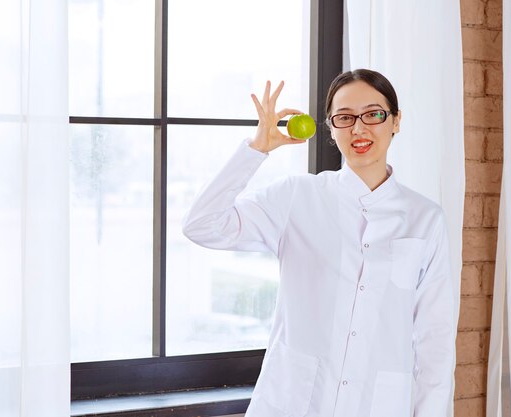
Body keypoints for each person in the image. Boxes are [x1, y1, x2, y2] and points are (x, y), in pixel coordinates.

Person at [182, 69, 456, 417]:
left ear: (396, 121)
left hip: (378, 405)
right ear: (330, 127)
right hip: (292, 403)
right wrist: (257, 149)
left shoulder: (425, 218)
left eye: (373, 114)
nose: (359, 128)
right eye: (344, 118)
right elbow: (202, 225)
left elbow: (436, 339)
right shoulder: (296, 197)